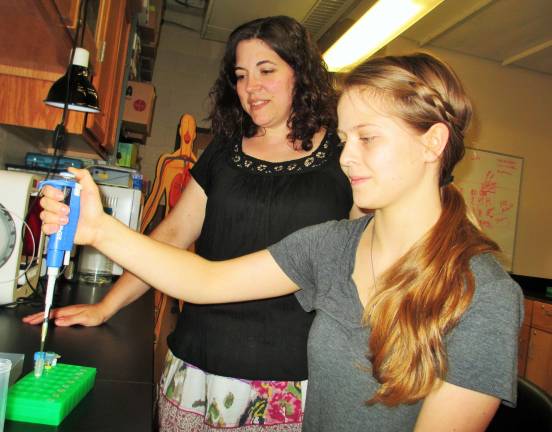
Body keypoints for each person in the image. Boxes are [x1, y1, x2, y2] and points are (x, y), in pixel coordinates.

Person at [39, 52, 523, 432]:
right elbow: (205, 279)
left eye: (367, 139)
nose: (345, 157)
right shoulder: (332, 246)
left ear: (432, 143)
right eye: (344, 138)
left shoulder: (484, 295)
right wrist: (99, 229)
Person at [26, 16, 356, 431]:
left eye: (267, 70)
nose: (251, 87)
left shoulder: (345, 158)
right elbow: (174, 234)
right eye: (240, 75)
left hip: (292, 378)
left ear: (301, 73)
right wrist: (106, 304)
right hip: (198, 364)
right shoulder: (223, 151)